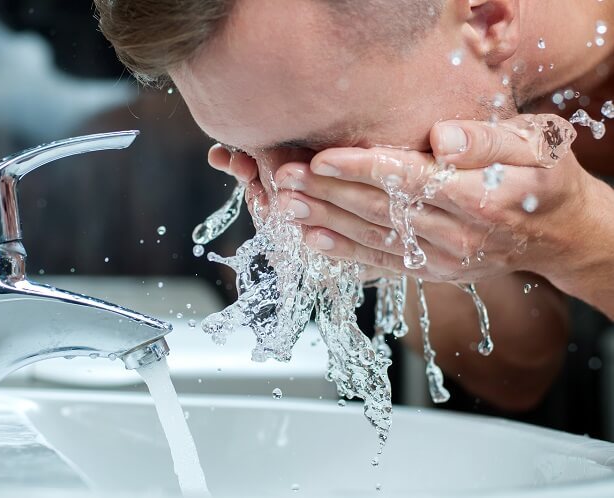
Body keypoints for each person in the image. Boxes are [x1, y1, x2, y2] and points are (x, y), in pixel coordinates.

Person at [93, 0, 614, 411]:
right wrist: (443, 251)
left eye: (321, 148)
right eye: (248, 152)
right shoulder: (413, 86)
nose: (288, 189)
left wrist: (583, 239)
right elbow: (520, 376)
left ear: (488, 18)